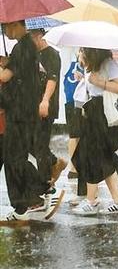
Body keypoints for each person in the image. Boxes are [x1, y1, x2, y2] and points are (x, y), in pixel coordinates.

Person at [0, 20, 63, 225]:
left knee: (14, 159)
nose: (5, 31)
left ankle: (42, 189)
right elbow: (15, 71)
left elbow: (5, 77)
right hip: (21, 111)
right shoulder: (24, 47)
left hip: (20, 113)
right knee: (13, 159)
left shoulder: (23, 46)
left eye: (7, 27)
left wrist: (5, 67)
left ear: (18, 25)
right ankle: (21, 207)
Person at [70, 47, 118, 215]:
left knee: (91, 157)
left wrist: (100, 83)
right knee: (101, 159)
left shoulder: (108, 64)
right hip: (93, 113)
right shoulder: (92, 66)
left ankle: (92, 201)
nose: (80, 52)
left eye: (83, 50)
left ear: (92, 51)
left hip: (105, 115)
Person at [29, 28, 67, 187]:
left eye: (30, 38)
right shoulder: (32, 55)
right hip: (31, 106)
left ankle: (46, 185)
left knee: (40, 145)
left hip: (46, 107)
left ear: (39, 36)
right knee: (30, 143)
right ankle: (55, 162)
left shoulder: (52, 55)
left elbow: (53, 79)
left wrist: (45, 101)